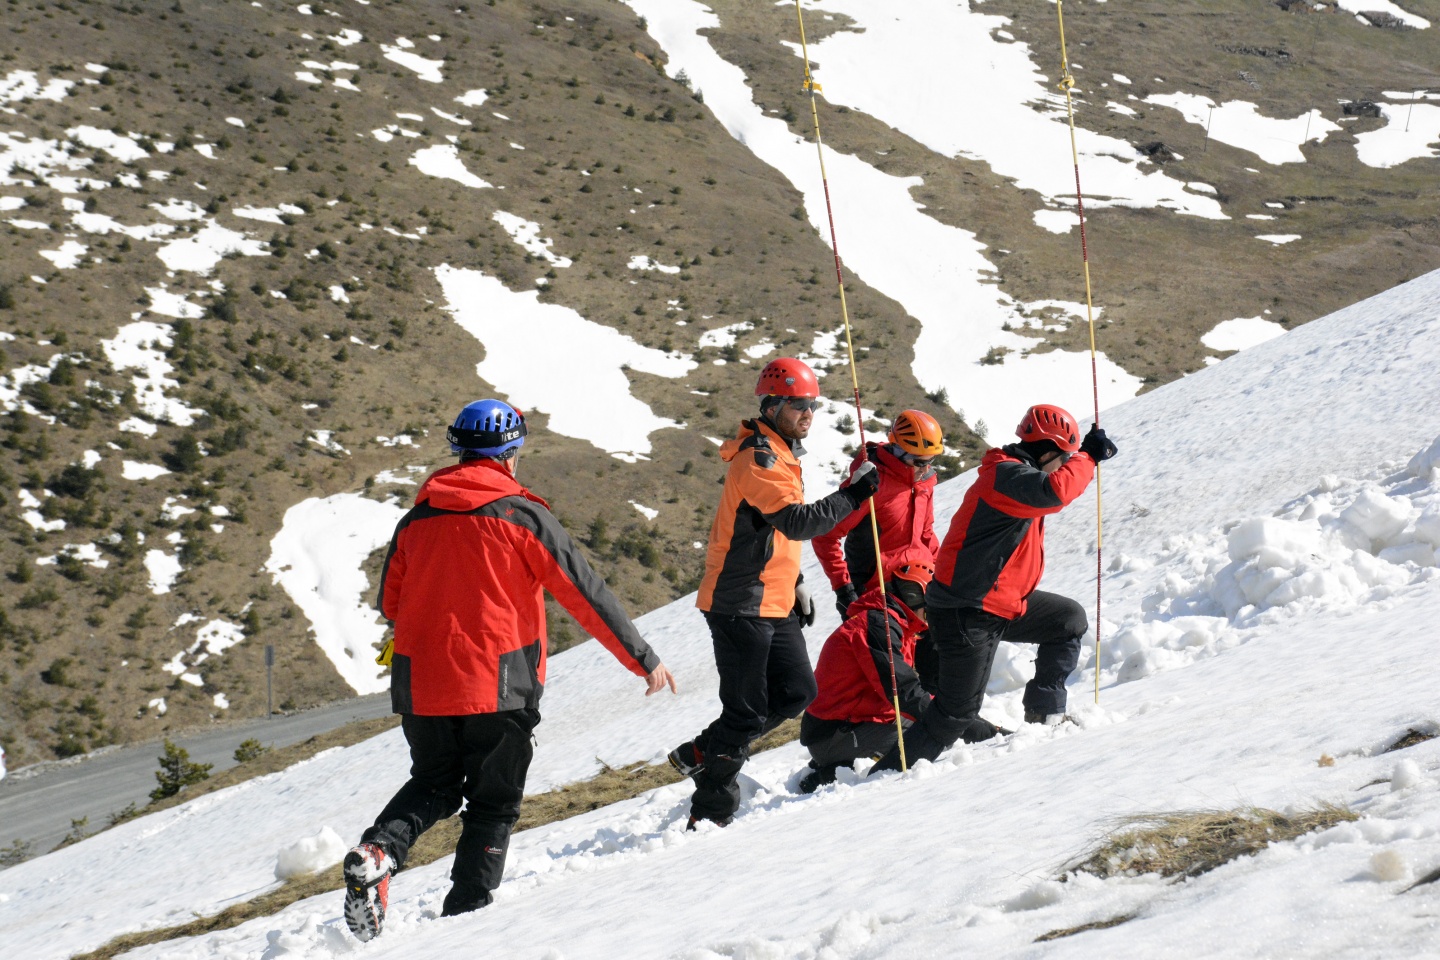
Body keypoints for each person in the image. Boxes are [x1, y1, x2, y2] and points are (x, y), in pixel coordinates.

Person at [342, 399, 677, 941]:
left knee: (433, 782)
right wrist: (643, 658)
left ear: (459, 450)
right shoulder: (521, 516)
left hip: (420, 683)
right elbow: (583, 592)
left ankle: (380, 850)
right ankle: (465, 922)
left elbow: (390, 603)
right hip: (498, 685)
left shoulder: (417, 518)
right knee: (494, 803)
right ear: (510, 454)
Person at [668, 357, 881, 828]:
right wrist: (853, 493)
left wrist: (796, 581)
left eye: (812, 406)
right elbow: (797, 521)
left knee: (796, 692)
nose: (808, 414)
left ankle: (703, 750)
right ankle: (709, 812)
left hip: (773, 597)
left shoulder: (782, 453)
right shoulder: (759, 458)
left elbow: (767, 531)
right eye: (799, 405)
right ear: (773, 405)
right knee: (744, 715)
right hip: (739, 603)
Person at [872, 404, 1117, 773]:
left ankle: (1045, 719)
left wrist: (1081, 458)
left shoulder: (1018, 476)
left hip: (998, 603)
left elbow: (1052, 490)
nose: (1065, 464)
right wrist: (1088, 457)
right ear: (1048, 451)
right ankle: (889, 774)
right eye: (1063, 457)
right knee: (955, 713)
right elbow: (1056, 491)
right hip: (967, 611)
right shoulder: (1005, 475)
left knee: (1067, 620)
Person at [797, 549, 935, 793]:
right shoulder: (877, 625)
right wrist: (953, 717)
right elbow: (901, 691)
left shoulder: (893, 624)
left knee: (929, 726)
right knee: (929, 735)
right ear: (914, 595)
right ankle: (834, 772)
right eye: (930, 598)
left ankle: (837, 764)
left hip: (851, 724)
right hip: (834, 733)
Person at [813, 409, 943, 620]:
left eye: (931, 460)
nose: (925, 468)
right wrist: (844, 589)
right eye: (919, 461)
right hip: (877, 594)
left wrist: (942, 574)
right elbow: (824, 534)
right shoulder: (869, 483)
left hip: (920, 587)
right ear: (899, 451)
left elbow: (926, 533)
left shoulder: (925, 482)